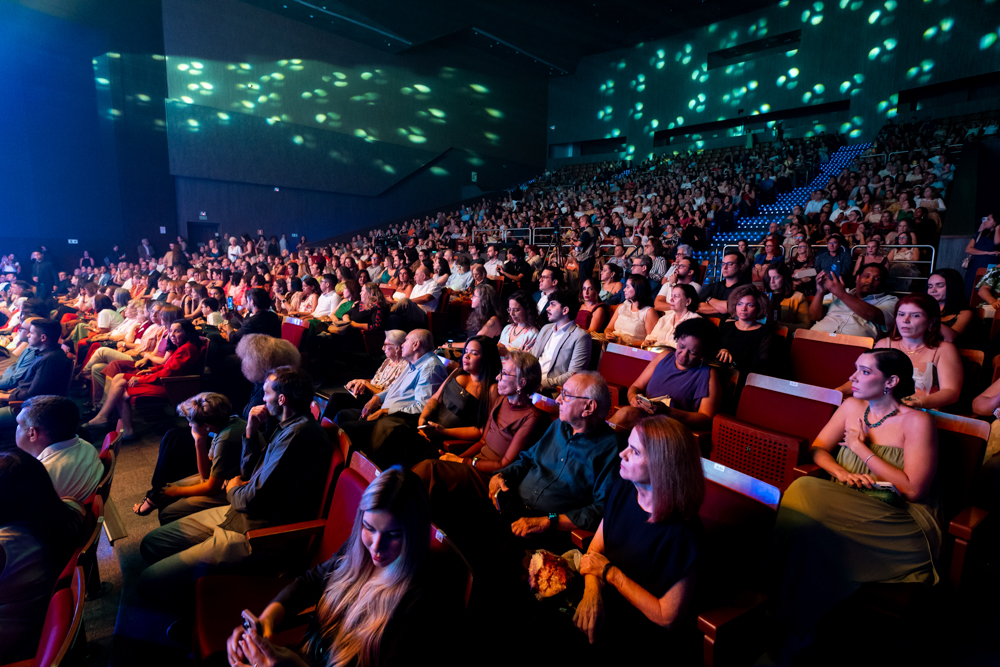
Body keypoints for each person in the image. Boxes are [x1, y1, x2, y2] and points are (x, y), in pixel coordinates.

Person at [768, 350, 939, 664]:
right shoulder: (851, 407)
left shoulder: (917, 421)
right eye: (855, 370)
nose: (853, 379)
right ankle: (795, 627)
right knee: (806, 529)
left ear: (891, 381)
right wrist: (841, 472)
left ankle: (782, 618)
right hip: (844, 502)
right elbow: (819, 448)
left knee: (804, 490)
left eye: (863, 372)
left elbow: (914, 490)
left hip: (897, 519)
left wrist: (861, 448)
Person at [224, 468, 459, 667]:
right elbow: (310, 581)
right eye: (369, 528)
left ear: (414, 535)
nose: (376, 547)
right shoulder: (359, 548)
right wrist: (267, 619)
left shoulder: (422, 598)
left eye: (393, 534)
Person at [138, 367, 332, 607]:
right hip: (240, 514)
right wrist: (250, 432)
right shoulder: (286, 425)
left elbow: (251, 497)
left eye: (266, 393)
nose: (262, 399)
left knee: (148, 581)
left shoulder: (298, 435)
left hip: (258, 533)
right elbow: (248, 474)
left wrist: (232, 490)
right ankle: (192, 581)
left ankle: (205, 603)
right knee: (152, 544)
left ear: (282, 399)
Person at [573, 416, 704, 655]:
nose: (621, 454)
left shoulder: (683, 534)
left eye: (634, 451)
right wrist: (592, 594)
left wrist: (610, 573)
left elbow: (666, 617)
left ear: (661, 466)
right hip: (606, 604)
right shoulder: (621, 490)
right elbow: (594, 552)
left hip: (643, 634)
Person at [412, 351, 547, 533]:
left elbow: (505, 464)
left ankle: (402, 521)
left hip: (492, 478)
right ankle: (415, 525)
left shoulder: (532, 417)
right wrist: (455, 458)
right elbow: (483, 441)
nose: (498, 377)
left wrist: (463, 462)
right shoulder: (499, 399)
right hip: (474, 465)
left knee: (430, 469)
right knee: (431, 463)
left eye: (505, 374)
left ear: (521, 383)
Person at [487, 371, 620, 537]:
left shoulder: (612, 449)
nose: (558, 400)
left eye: (565, 395)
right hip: (512, 506)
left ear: (588, 407)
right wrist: (500, 475)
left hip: (547, 528)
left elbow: (601, 508)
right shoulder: (558, 426)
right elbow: (527, 460)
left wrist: (548, 521)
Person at [0, 450, 85, 661]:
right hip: (33, 629)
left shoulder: (4, 545)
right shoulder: (68, 515)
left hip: (11, 644)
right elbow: (68, 500)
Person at [334, 329, 448, 469]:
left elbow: (423, 407)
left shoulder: (431, 368)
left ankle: (351, 475)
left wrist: (386, 411)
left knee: (347, 428)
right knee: (342, 415)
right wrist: (377, 397)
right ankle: (336, 467)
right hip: (386, 414)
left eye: (406, 341)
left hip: (399, 423)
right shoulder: (413, 362)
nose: (403, 345)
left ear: (416, 345)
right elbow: (394, 388)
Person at [834, 293, 962, 411]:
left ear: (932, 321)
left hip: (920, 411)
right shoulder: (884, 344)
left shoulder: (943, 349)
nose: (905, 320)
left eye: (915, 315)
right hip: (880, 407)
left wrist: (919, 403)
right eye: (901, 314)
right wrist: (839, 390)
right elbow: (863, 377)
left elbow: (951, 392)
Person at [132, 393, 246, 524]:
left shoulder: (226, 438)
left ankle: (178, 539)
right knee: (165, 491)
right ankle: (155, 500)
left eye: (191, 422)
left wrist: (176, 492)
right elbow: (205, 475)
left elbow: (212, 488)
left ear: (206, 426)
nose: (190, 425)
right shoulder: (226, 424)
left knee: (168, 512)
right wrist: (199, 441)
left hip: (235, 489)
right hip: (223, 480)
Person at [84, 320, 205, 439]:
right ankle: (107, 418)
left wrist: (141, 379)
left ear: (187, 332)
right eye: (171, 331)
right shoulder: (182, 346)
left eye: (177, 331)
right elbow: (167, 366)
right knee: (118, 378)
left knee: (121, 386)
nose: (172, 335)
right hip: (167, 381)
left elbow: (168, 373)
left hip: (171, 386)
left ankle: (119, 425)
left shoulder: (187, 348)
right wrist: (151, 370)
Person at [614, 318, 723, 432]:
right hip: (646, 417)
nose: (683, 354)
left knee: (625, 416)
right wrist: (633, 398)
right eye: (681, 346)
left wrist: (668, 411)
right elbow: (635, 387)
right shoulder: (664, 357)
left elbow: (706, 419)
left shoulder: (708, 374)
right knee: (625, 414)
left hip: (673, 428)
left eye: (692, 352)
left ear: (703, 354)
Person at [14, 396, 102, 505]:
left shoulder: (39, 476)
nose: (16, 428)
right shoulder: (87, 447)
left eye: (18, 424)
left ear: (32, 433)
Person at [0, 320, 74, 435]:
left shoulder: (49, 361)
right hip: (25, 403)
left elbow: (33, 395)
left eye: (32, 333)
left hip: (30, 411)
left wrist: (3, 396)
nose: (28, 335)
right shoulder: (46, 354)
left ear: (43, 337)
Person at [810, 263, 898, 338]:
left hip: (852, 347)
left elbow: (871, 314)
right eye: (866, 276)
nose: (870, 281)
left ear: (883, 283)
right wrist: (820, 292)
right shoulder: (837, 292)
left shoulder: (891, 300)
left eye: (877, 279)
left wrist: (841, 294)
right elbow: (813, 317)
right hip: (816, 337)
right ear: (857, 278)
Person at [534, 290, 593, 392]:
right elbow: (532, 356)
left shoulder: (581, 337)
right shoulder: (546, 328)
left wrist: (540, 385)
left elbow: (573, 375)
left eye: (552, 305)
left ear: (565, 310)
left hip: (552, 391)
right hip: (531, 381)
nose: (547, 308)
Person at [717, 285, 778, 383]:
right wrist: (721, 350)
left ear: (759, 308)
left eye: (750, 305)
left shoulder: (766, 333)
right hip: (719, 375)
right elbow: (711, 350)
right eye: (740, 304)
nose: (743, 308)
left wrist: (733, 363)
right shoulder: (726, 326)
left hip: (746, 380)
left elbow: (761, 367)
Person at [605, 275, 658, 345]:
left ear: (638, 289)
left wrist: (627, 343)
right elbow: (609, 328)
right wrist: (608, 334)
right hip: (613, 345)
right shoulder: (622, 306)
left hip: (632, 350)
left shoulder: (648, 312)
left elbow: (651, 341)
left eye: (627, 287)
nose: (624, 290)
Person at [644, 284, 701, 349]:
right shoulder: (664, 319)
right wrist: (648, 342)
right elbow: (651, 338)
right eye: (671, 296)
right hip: (657, 354)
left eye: (676, 296)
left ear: (688, 301)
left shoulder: (696, 321)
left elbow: (691, 348)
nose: (671, 299)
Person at [926, 269, 974, 344]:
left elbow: (951, 338)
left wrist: (926, 318)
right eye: (930, 286)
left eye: (940, 286)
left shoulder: (965, 313)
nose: (933, 290)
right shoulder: (924, 308)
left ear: (952, 287)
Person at [698, 252, 749, 316]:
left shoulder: (746, 289)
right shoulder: (713, 286)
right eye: (723, 264)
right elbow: (695, 306)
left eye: (730, 264)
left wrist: (709, 300)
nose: (725, 267)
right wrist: (722, 309)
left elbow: (732, 309)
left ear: (741, 266)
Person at [766, 261, 811, 330]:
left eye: (775, 277)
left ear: (785, 278)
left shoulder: (798, 297)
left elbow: (806, 325)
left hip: (785, 336)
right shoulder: (762, 295)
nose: (771, 281)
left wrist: (781, 326)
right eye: (769, 277)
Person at [965, 213, 1000, 298]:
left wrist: (998, 228)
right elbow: (968, 249)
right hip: (975, 265)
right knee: (970, 289)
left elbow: (997, 243)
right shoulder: (981, 234)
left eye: (989, 219)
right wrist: (987, 252)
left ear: (995, 222)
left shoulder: (997, 234)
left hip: (989, 266)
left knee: (984, 290)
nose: (985, 221)